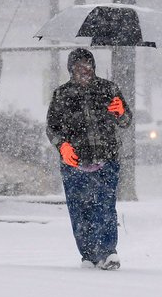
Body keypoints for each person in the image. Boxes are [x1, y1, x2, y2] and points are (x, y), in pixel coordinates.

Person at [46, 48, 132, 270]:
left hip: (107, 160)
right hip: (74, 164)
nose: (83, 70)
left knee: (105, 207)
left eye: (87, 65)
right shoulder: (61, 95)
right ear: (70, 69)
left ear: (93, 67)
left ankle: (108, 252)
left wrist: (122, 112)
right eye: (78, 66)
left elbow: (126, 121)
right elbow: (52, 128)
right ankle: (89, 255)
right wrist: (62, 145)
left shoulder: (108, 89)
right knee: (80, 210)